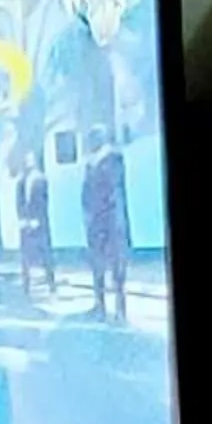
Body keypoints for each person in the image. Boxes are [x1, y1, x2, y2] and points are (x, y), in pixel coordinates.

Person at [82, 127, 131, 322]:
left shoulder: (113, 159)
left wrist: (115, 220)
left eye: (92, 139)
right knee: (97, 266)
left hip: (111, 223)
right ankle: (99, 304)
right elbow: (85, 194)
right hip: (95, 224)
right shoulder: (90, 164)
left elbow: (115, 191)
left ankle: (120, 309)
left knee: (117, 268)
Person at [16, 160, 55, 301]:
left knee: (45, 255)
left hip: (40, 223)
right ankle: (26, 287)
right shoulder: (20, 182)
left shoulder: (41, 179)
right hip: (25, 224)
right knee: (25, 257)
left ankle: (51, 285)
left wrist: (37, 219)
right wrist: (21, 219)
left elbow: (43, 201)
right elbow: (19, 202)